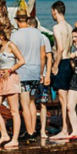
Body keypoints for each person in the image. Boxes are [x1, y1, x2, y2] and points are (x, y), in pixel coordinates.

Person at [11, 9, 46, 138]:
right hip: (36, 71)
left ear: (16, 20)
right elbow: (43, 55)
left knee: (24, 104)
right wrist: (41, 72)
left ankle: (30, 131)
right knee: (32, 102)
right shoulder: (37, 33)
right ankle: (33, 130)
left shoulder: (15, 35)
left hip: (23, 72)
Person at [0, 29, 25, 148]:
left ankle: (15, 139)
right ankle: (4, 134)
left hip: (10, 77)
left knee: (14, 111)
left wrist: (10, 70)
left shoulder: (10, 45)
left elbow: (22, 60)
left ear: (1, 36)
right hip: (1, 79)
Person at [51, 1, 74, 136]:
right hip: (69, 63)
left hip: (62, 62)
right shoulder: (70, 27)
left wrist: (55, 65)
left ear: (55, 11)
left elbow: (60, 48)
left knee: (62, 99)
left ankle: (65, 129)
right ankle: (69, 127)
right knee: (68, 98)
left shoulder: (57, 27)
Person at [29, 17, 53, 138]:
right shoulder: (27, 39)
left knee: (42, 103)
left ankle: (42, 130)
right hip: (30, 75)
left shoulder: (43, 38)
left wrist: (47, 74)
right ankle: (32, 129)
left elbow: (49, 56)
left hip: (41, 75)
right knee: (31, 102)